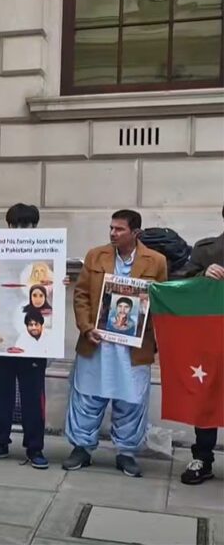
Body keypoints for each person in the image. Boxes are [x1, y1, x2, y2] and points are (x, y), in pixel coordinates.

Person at [64, 209, 167, 477]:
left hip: (134, 348)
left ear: (136, 233)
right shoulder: (95, 255)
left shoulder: (156, 261)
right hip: (97, 342)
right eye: (111, 228)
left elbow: (162, 303)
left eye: (119, 229)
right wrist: (86, 328)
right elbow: (82, 295)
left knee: (131, 398)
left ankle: (126, 452)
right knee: (87, 395)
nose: (113, 233)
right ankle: (82, 448)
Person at [0, 203, 54, 469]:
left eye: (28, 224)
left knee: (34, 396)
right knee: (0, 394)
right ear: (10, 226)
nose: (23, 229)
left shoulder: (48, 249)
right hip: (2, 335)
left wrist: (61, 281)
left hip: (33, 337)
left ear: (35, 226)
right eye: (18, 224)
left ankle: (35, 448)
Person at [177, 206, 223, 485]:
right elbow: (182, 286)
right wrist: (203, 274)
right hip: (212, 339)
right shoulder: (206, 250)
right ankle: (203, 457)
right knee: (207, 399)